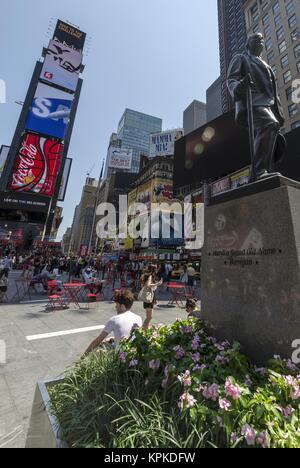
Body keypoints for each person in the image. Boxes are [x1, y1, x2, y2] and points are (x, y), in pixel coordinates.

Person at [227, 33, 286, 179]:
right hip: (251, 102)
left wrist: (279, 112)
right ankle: (258, 171)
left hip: (267, 105)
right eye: (255, 38)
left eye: (262, 39)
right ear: (248, 44)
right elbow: (231, 79)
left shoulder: (267, 66)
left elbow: (272, 92)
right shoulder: (241, 58)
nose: (260, 40)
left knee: (272, 130)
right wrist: (239, 87)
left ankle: (265, 170)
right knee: (269, 124)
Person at [83, 290, 142, 356]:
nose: (115, 307)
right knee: (110, 340)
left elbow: (98, 340)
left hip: (120, 356)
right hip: (134, 355)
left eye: (117, 305)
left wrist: (83, 356)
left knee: (99, 346)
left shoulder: (114, 320)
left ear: (122, 306)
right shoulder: (138, 318)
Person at [140, 265, 163, 330]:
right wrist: (157, 284)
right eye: (156, 269)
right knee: (149, 317)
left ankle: (145, 328)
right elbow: (148, 285)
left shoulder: (146, 276)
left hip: (149, 297)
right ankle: (144, 330)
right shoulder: (150, 276)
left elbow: (144, 285)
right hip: (148, 298)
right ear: (154, 270)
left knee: (149, 317)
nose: (157, 270)